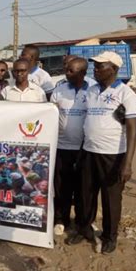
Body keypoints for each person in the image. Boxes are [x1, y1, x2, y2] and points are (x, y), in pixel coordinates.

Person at [67, 51, 136, 255]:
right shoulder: (91, 91)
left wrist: (128, 163)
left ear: (114, 69)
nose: (96, 70)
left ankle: (110, 236)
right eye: (95, 66)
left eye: (100, 66)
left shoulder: (126, 93)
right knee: (85, 194)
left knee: (111, 198)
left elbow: (133, 130)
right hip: (89, 151)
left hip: (113, 155)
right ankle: (84, 228)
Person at [50, 57, 90, 236]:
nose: (67, 73)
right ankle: (61, 219)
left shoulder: (93, 90)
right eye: (67, 70)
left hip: (85, 149)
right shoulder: (59, 90)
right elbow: (50, 114)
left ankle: (82, 222)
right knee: (61, 187)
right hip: (62, 146)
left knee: (83, 188)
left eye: (71, 71)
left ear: (82, 72)